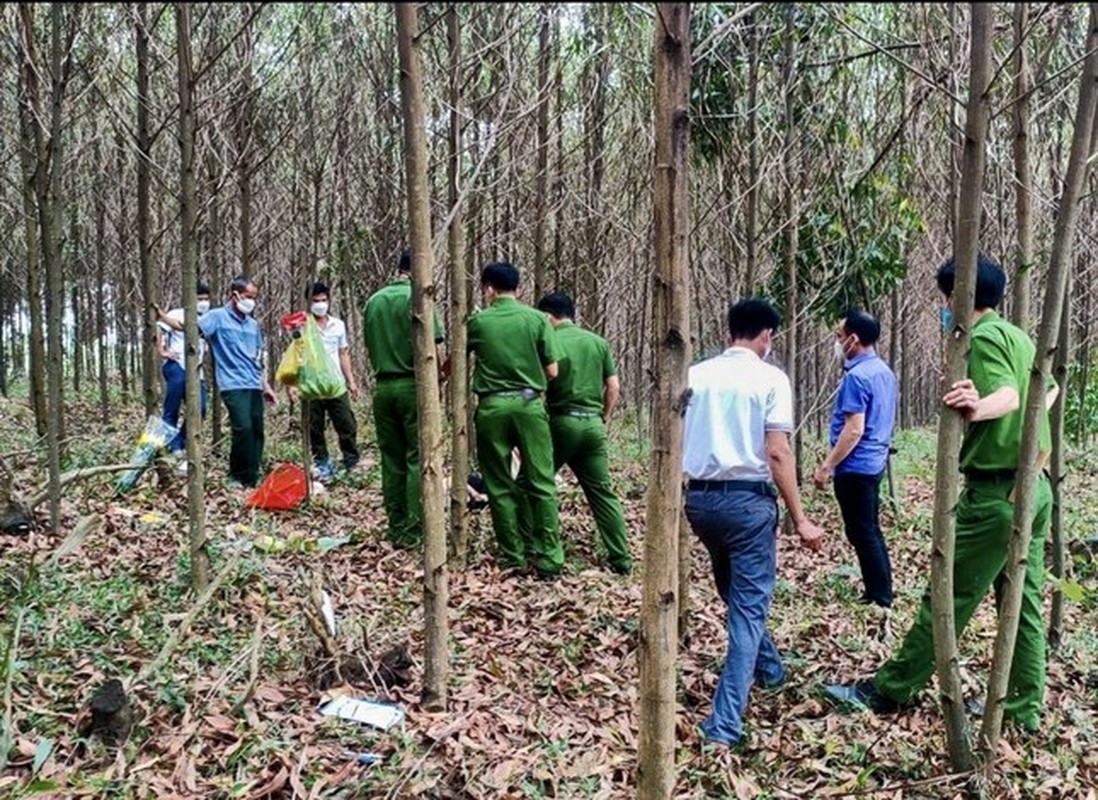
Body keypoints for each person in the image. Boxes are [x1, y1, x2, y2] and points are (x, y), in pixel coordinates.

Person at [825, 254, 1057, 736]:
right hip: (1033, 489)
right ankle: (1023, 707)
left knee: (947, 596)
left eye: (947, 298)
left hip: (996, 493)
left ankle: (890, 689)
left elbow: (1012, 395)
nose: (945, 308)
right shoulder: (1018, 336)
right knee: (1024, 602)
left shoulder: (987, 337)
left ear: (961, 297)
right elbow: (1046, 391)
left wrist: (980, 406)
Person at [682, 298, 824, 749]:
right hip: (748, 504)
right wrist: (800, 518)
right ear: (767, 336)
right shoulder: (770, 378)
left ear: (729, 333)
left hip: (700, 503)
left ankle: (770, 668)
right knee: (747, 609)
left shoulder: (695, 375)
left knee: (732, 591)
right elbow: (778, 451)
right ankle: (723, 726)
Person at [467, 262, 564, 579]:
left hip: (491, 407)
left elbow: (450, 366)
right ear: (517, 288)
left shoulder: (478, 322)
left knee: (498, 483)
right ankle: (549, 558)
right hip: (529, 406)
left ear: (489, 289)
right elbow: (553, 372)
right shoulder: (537, 319)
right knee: (541, 481)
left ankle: (512, 555)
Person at [536, 290, 631, 575]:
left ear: (548, 316)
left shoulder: (548, 340)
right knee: (602, 493)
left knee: (538, 485)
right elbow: (613, 387)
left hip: (560, 423)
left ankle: (542, 551)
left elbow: (541, 381)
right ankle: (621, 559)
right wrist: (603, 416)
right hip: (592, 425)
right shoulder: (598, 342)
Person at [812, 309, 898, 609]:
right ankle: (880, 590)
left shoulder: (858, 377)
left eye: (839, 336)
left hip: (856, 467)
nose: (837, 342)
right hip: (874, 463)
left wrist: (827, 465)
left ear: (853, 339)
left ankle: (880, 596)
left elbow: (854, 429)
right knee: (869, 530)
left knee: (863, 532)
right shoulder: (883, 372)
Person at [363, 250, 444, 548]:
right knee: (417, 458)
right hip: (414, 387)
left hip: (382, 388)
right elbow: (434, 350)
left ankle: (395, 525)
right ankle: (415, 527)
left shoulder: (373, 302)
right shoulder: (419, 298)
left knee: (391, 458)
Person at [171, 275, 277, 488]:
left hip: (253, 383)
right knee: (243, 428)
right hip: (232, 383)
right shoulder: (217, 317)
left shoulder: (253, 325)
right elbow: (190, 328)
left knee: (257, 430)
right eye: (248, 296)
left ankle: (252, 476)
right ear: (235, 295)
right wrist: (163, 317)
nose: (251, 301)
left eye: (254, 297)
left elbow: (258, 359)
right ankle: (236, 476)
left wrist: (266, 386)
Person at [299, 280, 361, 481]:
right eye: (315, 300)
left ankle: (351, 461)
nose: (320, 304)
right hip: (312, 386)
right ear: (308, 302)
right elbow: (295, 356)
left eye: (323, 300)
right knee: (315, 427)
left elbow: (344, 353)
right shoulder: (302, 326)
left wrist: (350, 381)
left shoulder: (338, 325)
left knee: (346, 424)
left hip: (336, 385)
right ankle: (321, 463)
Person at [157, 281, 211, 473]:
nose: (203, 302)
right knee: (172, 408)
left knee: (201, 408)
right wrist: (162, 351)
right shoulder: (177, 313)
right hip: (176, 366)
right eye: (200, 299)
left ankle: (180, 442)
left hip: (197, 370)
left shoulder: (207, 318)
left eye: (206, 299)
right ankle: (168, 449)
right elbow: (160, 328)